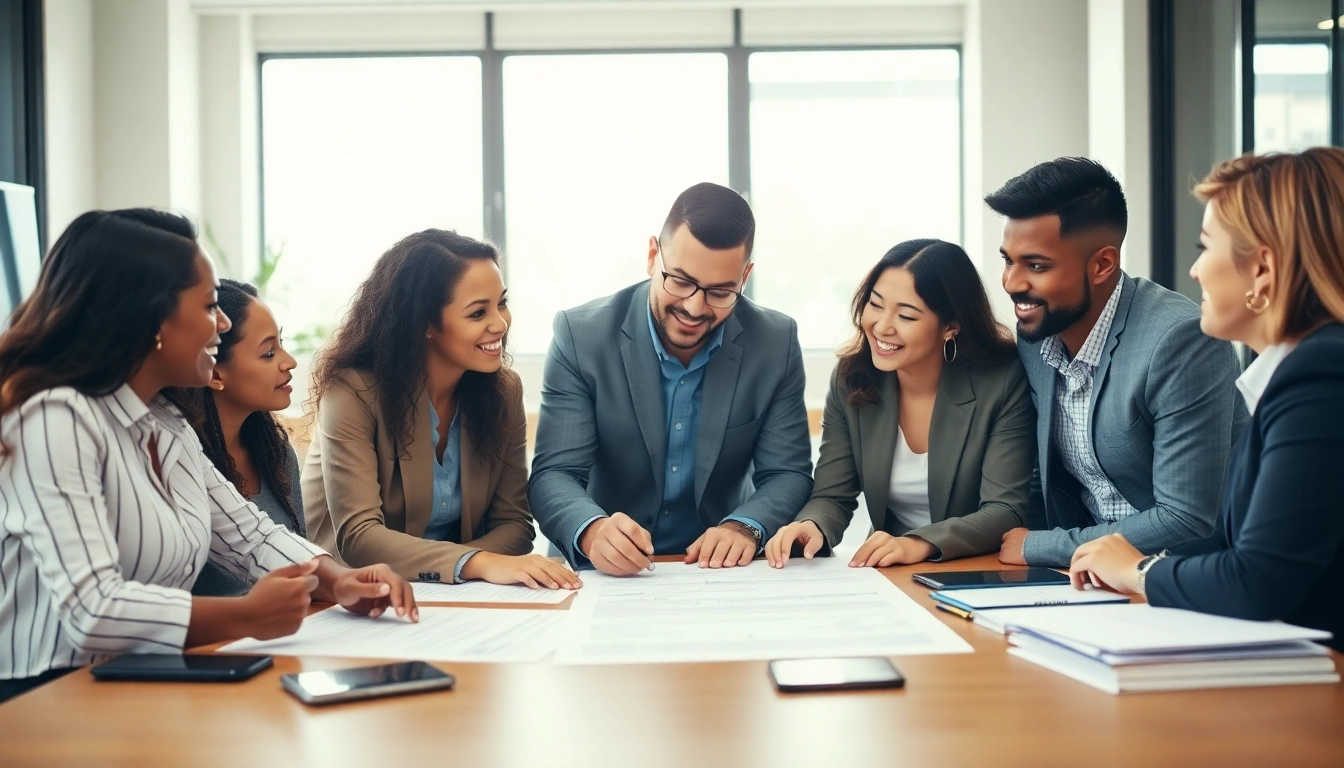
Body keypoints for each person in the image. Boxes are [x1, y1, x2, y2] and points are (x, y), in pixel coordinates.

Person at [0, 209, 416, 703]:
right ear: (151, 319)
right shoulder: (52, 418)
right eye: (208, 306)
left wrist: (341, 580)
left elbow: (248, 536)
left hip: (138, 684)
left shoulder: (165, 422)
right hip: (43, 697)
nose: (220, 323)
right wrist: (245, 616)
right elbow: (95, 610)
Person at [1069, 147, 1344, 650]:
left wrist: (1138, 570)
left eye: (1205, 247)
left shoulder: (1320, 375)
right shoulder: (1300, 372)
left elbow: (1258, 579)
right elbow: (1230, 543)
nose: (1195, 271)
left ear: (1262, 270)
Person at [530, 182, 813, 575]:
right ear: (652, 256)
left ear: (744, 277)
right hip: (600, 574)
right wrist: (593, 531)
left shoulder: (775, 342)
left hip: (719, 572)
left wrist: (744, 527)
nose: (695, 308)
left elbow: (787, 473)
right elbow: (555, 474)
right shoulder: (580, 336)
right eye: (679, 281)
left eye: (720, 292)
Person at [988, 157, 1246, 568]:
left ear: (1103, 264)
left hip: (1183, 577)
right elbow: (1040, 477)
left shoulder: (1180, 340)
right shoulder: (1036, 334)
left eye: (1036, 266)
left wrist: (1043, 546)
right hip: (1085, 579)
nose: (1012, 283)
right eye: (1008, 260)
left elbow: (1188, 518)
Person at [303, 229, 578, 591]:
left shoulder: (503, 391)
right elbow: (359, 538)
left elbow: (514, 525)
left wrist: (465, 568)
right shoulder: (353, 392)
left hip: (455, 600)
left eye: (501, 303)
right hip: (352, 600)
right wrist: (475, 563)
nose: (500, 323)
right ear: (426, 324)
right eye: (478, 312)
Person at [765, 240, 1035, 568]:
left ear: (950, 327)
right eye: (876, 305)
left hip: (977, 568)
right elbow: (832, 496)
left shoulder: (1002, 381)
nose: (881, 326)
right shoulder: (851, 378)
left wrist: (919, 543)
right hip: (890, 571)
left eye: (906, 315)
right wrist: (812, 526)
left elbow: (1005, 510)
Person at [175, 280, 305, 597]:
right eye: (269, 353)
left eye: (282, 344)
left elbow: (299, 559)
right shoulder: (179, 454)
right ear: (215, 373)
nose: (289, 362)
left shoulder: (276, 452)